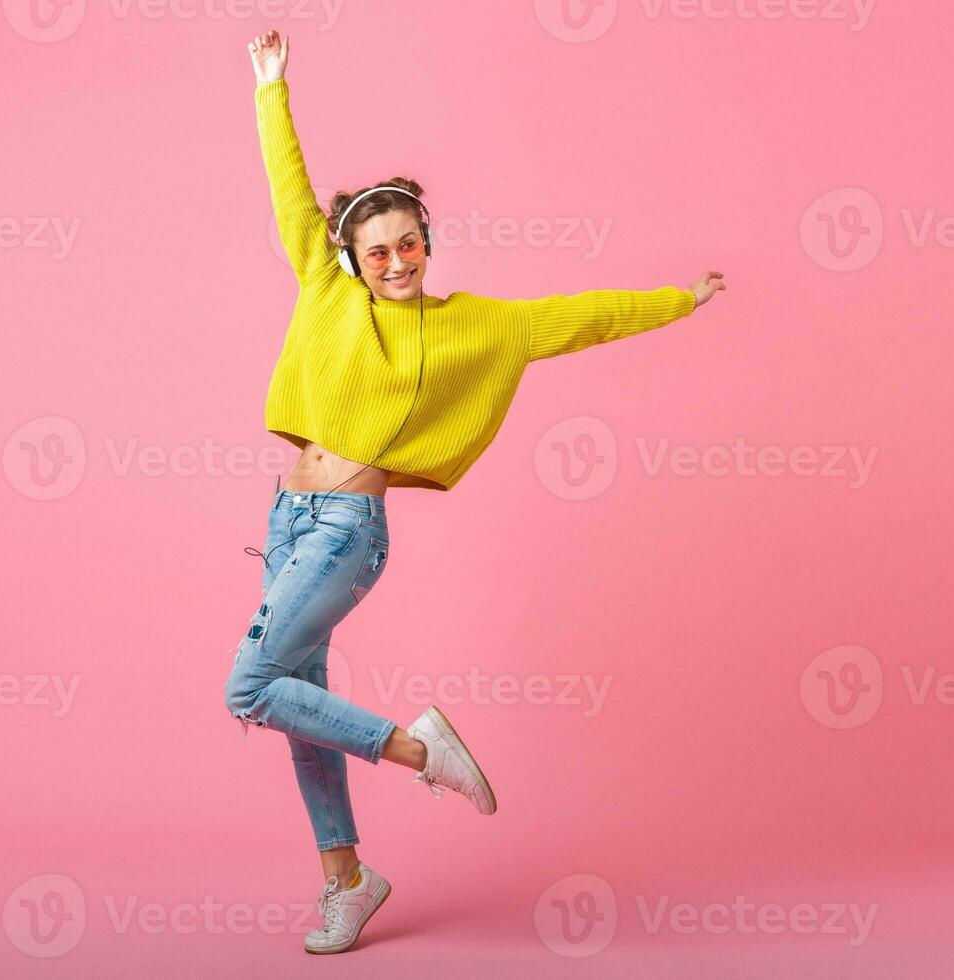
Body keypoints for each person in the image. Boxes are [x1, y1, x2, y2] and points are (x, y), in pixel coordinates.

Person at [223, 29, 726, 956]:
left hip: (345, 528)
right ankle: (349, 882)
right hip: (287, 516)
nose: (398, 262)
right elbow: (289, 190)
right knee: (295, 697)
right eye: (376, 251)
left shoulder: (475, 330)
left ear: (427, 241)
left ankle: (420, 752)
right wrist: (271, 87)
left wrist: (676, 301)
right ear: (351, 256)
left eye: (409, 244)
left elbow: (575, 319)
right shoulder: (326, 295)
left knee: (250, 687)